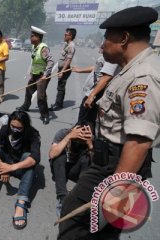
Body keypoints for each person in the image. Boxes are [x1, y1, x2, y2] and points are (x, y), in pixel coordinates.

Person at [58, 6, 159, 239]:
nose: (102, 44)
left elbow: (139, 140)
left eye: (106, 37)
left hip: (115, 166)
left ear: (124, 38)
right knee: (99, 227)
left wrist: (117, 188)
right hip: (107, 160)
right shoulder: (130, 69)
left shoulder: (142, 76)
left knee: (76, 222)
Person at [0, 111, 40, 230]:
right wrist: (2, 167)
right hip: (6, 163)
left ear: (25, 127)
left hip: (20, 168)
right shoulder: (5, 129)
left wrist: (10, 168)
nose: (15, 130)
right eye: (13, 126)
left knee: (28, 157)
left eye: (19, 128)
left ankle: (21, 202)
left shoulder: (33, 135)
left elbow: (35, 158)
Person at [49, 123, 93, 217]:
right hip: (60, 168)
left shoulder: (90, 138)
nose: (78, 142)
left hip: (77, 171)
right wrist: (68, 137)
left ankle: (79, 196)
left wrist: (90, 145)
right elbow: (52, 154)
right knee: (59, 155)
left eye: (81, 140)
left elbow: (96, 166)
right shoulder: (63, 133)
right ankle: (63, 198)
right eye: (77, 139)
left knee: (86, 158)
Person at [16, 26, 55, 124]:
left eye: (32, 36)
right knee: (28, 90)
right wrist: (30, 72)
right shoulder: (35, 47)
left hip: (42, 76)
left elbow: (50, 61)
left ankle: (45, 115)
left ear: (38, 37)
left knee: (41, 97)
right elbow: (34, 61)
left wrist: (45, 75)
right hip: (34, 74)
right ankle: (25, 106)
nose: (30, 38)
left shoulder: (43, 48)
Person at [72, 52, 120, 127]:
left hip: (97, 92)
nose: (102, 46)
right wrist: (80, 70)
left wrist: (92, 95)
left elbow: (106, 77)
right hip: (94, 92)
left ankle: (82, 135)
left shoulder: (113, 57)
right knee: (87, 119)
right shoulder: (106, 55)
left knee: (85, 121)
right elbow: (96, 68)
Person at [50, 28, 77, 111]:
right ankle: (60, 103)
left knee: (60, 87)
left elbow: (69, 60)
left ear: (70, 36)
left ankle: (57, 105)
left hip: (65, 69)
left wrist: (62, 71)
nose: (64, 35)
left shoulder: (71, 46)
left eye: (66, 34)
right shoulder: (67, 44)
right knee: (61, 86)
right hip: (62, 68)